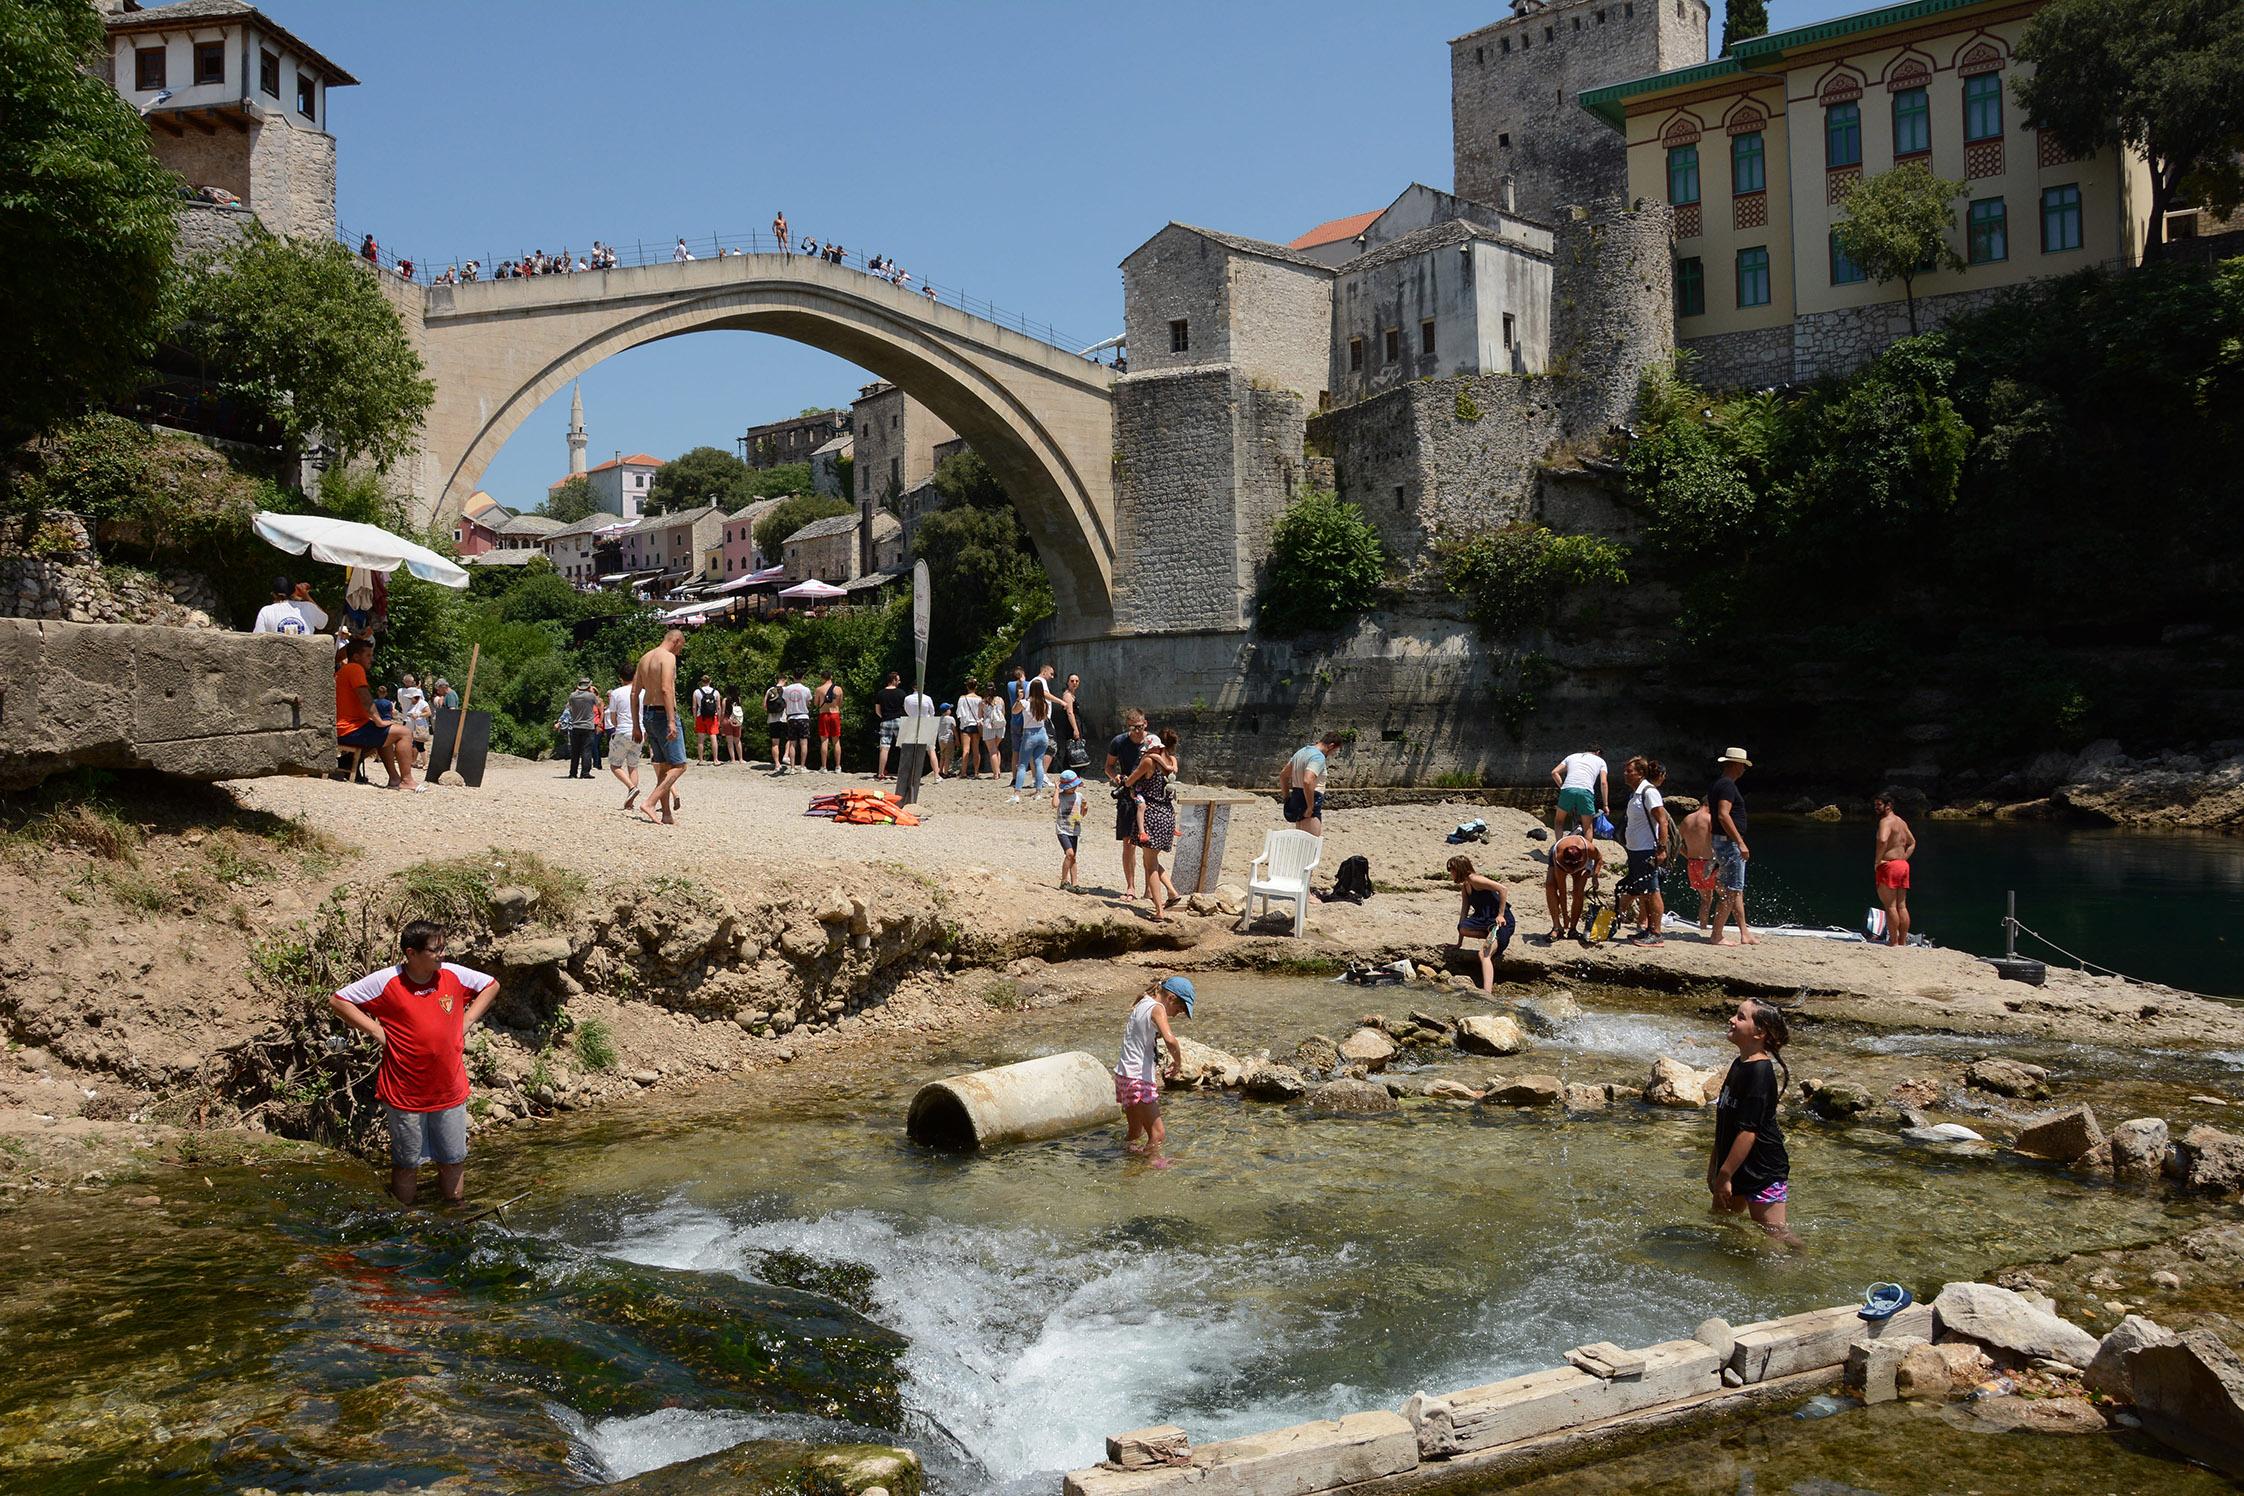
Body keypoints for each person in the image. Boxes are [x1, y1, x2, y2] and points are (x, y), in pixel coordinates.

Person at [328, 920, 499, 1207]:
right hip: (404, 1093)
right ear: (412, 953)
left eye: (443, 947)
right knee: (407, 1163)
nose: (442, 954)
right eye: (435, 949)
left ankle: (455, 1215)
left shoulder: (452, 975)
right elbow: (338, 1000)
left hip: (449, 1090)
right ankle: (405, 1223)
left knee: (454, 1159)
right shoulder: (386, 981)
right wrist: (376, 1032)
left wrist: (467, 1021)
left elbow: (491, 985)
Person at [1709, 998, 1800, 1247]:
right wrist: (1716, 1166)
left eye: (1740, 1017)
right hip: (1734, 1164)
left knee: (1774, 1233)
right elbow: (1725, 1119)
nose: (1731, 1019)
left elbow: (1749, 1132)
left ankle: (1799, 1263)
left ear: (1759, 1032)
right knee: (1721, 1224)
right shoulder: (1739, 1064)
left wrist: (1725, 1175)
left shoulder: (1760, 1072)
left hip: (1763, 1170)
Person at [1114, 976, 1196, 1161]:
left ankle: (1128, 1169)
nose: (1178, 1014)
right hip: (1138, 1078)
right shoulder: (1158, 1008)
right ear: (1171, 998)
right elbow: (1170, 1039)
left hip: (1123, 1076)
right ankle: (1154, 1169)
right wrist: (1178, 1062)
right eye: (1180, 1009)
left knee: (1135, 1134)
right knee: (1158, 1135)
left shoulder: (1143, 1001)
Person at [336, 638, 423, 791]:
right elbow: (365, 698)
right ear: (356, 656)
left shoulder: (344, 670)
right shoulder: (355, 668)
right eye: (368, 655)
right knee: (404, 732)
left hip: (348, 727)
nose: (372, 659)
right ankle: (407, 780)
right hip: (349, 728)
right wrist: (378, 721)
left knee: (388, 734)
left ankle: (395, 779)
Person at [631, 628, 689, 824]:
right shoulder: (668, 658)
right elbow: (666, 689)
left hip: (647, 714)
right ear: (676, 641)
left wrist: (635, 726)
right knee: (680, 765)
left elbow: (634, 694)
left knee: (663, 767)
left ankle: (666, 814)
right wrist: (672, 720)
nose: (680, 652)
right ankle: (650, 802)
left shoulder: (644, 658)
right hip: (663, 714)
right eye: (681, 647)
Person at [1708, 747, 1757, 948]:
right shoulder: (1727, 785)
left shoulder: (1720, 784)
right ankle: (1717, 935)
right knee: (1732, 890)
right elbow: (1723, 814)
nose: (1744, 770)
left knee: (1736, 889)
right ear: (1736, 765)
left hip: (1721, 841)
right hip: (1728, 843)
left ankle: (1744, 932)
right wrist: (1740, 841)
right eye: (1743, 766)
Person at [1127, 728, 1179, 919]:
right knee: (1152, 860)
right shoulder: (1171, 763)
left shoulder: (1148, 761)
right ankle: (1172, 893)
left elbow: (1129, 781)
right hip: (1167, 815)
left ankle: (1159, 911)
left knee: (1150, 866)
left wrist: (1128, 783)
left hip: (1152, 815)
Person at [1620, 757, 1672, 946]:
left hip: (1646, 850)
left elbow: (1663, 821)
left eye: (1629, 771)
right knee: (1644, 892)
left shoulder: (1649, 792)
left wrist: (1661, 848)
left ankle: (1656, 933)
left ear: (1640, 773)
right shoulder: (1636, 793)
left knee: (1653, 890)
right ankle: (1648, 930)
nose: (1625, 774)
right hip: (1635, 850)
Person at [1447, 855, 1514, 994]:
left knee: (1483, 954)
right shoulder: (1466, 887)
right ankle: (1490, 936)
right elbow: (1464, 912)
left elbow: (1503, 889)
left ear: (1459, 869)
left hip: (1499, 922)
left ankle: (1486, 993)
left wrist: (1500, 915)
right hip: (1483, 921)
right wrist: (1459, 942)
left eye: (1451, 870)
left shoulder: (1475, 879)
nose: (1450, 873)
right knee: (1462, 927)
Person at [1106, 710, 1151, 899]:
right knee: (1128, 844)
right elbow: (1108, 766)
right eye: (1133, 728)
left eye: (1140, 727)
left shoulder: (1153, 743)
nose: (1137, 732)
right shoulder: (1119, 742)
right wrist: (1115, 777)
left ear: (1145, 724)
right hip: (1126, 794)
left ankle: (1149, 889)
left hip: (1148, 795)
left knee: (1149, 845)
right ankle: (1130, 886)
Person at [1540, 826, 1602, 942]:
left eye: (1573, 868)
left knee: (1578, 893)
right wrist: (1565, 916)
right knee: (1550, 886)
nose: (1571, 871)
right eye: (1569, 869)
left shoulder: (1588, 848)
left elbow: (1599, 858)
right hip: (1560, 863)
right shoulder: (1558, 856)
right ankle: (1557, 927)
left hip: (1583, 864)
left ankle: (1573, 929)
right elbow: (1562, 892)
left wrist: (1595, 876)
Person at [1873, 788, 1917, 947]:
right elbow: (1912, 843)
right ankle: (1902, 941)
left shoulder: (1885, 822)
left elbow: (1883, 840)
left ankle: (1893, 942)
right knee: (1902, 905)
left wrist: (1877, 861)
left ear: (1888, 806)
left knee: (1890, 906)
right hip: (1902, 865)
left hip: (1889, 866)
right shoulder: (1901, 822)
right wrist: (1903, 858)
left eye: (1879, 805)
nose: (1876, 808)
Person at [1279, 731, 1343, 837]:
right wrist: (1310, 807)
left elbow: (1283, 775)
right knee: (1312, 844)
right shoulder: (1318, 757)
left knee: (1301, 843)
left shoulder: (1301, 752)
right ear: (1331, 746)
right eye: (1334, 751)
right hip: (1311, 799)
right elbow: (1308, 781)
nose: (1332, 755)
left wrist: (1286, 797)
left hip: (1296, 798)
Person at [1551, 743, 1610, 836]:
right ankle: (1586, 850)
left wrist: (1563, 787)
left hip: (1568, 789)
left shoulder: (1571, 757)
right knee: (1588, 827)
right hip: (1586, 791)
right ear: (1598, 752)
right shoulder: (1601, 761)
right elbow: (1603, 783)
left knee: (1559, 821)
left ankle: (1559, 848)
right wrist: (1605, 804)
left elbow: (1554, 772)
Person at [1011, 676, 1054, 800]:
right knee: (1039, 763)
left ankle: (1017, 793)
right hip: (1042, 734)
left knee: (1023, 765)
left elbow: (1014, 711)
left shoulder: (1025, 702)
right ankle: (1038, 792)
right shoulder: (1045, 704)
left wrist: (1019, 699)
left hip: (1029, 734)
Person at [605, 665, 642, 810]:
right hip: (640, 731)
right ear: (635, 676)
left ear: (620, 678)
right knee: (633, 766)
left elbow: (613, 716)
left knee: (615, 765)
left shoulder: (616, 693)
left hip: (623, 730)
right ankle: (630, 800)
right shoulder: (642, 692)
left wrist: (616, 725)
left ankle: (632, 788)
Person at [1679, 801, 1717, 935]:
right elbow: (1719, 841)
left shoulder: (1687, 819)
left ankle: (1703, 927)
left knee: (1706, 899)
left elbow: (1675, 841)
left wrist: (1688, 855)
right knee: (1727, 896)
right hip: (1709, 863)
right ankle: (1718, 930)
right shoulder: (1710, 819)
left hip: (1693, 863)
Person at [1053, 767, 1090, 890]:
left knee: (1073, 857)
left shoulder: (1079, 796)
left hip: (1074, 830)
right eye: (1071, 786)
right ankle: (1064, 881)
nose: (1074, 788)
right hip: (1062, 830)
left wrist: (1085, 809)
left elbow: (1083, 812)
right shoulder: (1061, 796)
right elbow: (1054, 804)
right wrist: (1057, 790)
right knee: (1070, 854)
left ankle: (1075, 883)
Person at [253, 575, 325, 635]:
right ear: (294, 592)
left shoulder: (266, 611)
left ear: (273, 594)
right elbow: (323, 623)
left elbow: (257, 638)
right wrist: (306, 596)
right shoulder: (309, 607)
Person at [562, 677, 600, 778]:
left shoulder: (572, 696)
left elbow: (568, 707)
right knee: (586, 750)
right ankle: (585, 773)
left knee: (575, 751)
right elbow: (599, 703)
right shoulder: (591, 696)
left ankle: (573, 773)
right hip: (588, 726)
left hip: (575, 725)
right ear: (588, 685)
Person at [901, 679, 938, 780]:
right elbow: (932, 712)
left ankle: (911, 775)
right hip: (925, 723)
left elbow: (906, 710)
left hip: (912, 723)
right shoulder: (928, 698)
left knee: (912, 750)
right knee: (931, 749)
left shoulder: (907, 699)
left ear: (913, 687)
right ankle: (936, 775)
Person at [873, 671, 906, 780]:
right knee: (903, 747)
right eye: (898, 680)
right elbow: (905, 708)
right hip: (898, 720)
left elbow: (877, 711)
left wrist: (884, 716)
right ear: (893, 680)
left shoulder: (881, 693)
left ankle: (880, 773)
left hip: (886, 720)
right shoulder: (901, 693)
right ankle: (905, 772)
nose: (899, 681)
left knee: (884, 747)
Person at [397, 674, 432, 770]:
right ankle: (413, 760)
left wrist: (418, 715)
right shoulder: (417, 693)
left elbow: (428, 712)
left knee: (416, 743)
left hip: (412, 721)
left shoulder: (400, 691)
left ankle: (416, 761)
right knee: (412, 743)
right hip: (410, 720)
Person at [781, 670, 813, 771]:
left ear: (793, 677)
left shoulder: (787, 689)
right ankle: (803, 766)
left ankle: (792, 767)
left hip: (791, 717)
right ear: (802, 677)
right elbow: (808, 703)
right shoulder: (806, 689)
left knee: (792, 743)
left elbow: (785, 702)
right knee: (804, 743)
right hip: (803, 716)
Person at [955, 680, 984, 779]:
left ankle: (963, 772)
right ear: (976, 687)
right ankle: (976, 772)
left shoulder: (962, 698)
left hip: (966, 725)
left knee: (966, 749)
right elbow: (981, 713)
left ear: (967, 687)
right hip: (976, 725)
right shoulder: (980, 699)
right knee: (976, 749)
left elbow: (959, 713)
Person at [815, 672, 844, 772]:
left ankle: (824, 766)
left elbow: (816, 703)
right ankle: (838, 766)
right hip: (835, 714)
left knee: (824, 740)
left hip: (824, 714)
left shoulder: (819, 689)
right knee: (836, 741)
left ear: (822, 677)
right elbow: (840, 703)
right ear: (831, 677)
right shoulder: (838, 689)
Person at [690, 676, 722, 765]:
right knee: (713, 737)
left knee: (700, 739)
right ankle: (715, 759)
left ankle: (701, 760)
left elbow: (694, 707)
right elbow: (718, 707)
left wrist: (695, 718)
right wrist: (719, 719)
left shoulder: (696, 692)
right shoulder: (716, 692)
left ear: (701, 681)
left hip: (701, 716)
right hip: (712, 717)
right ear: (710, 681)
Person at [764, 675, 788, 771]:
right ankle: (786, 756)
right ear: (785, 680)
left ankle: (777, 764)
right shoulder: (787, 690)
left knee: (775, 743)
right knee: (790, 739)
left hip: (772, 719)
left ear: (776, 680)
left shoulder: (770, 690)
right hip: (784, 717)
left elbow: (764, 706)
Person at [935, 702, 958, 777]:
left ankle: (940, 770)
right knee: (948, 756)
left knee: (942, 755)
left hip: (940, 739)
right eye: (949, 709)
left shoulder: (939, 719)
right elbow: (954, 730)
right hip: (948, 739)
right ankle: (946, 772)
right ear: (947, 711)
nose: (950, 710)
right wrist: (957, 739)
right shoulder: (951, 719)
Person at [722, 690, 745, 764]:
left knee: (730, 741)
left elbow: (723, 712)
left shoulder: (725, 700)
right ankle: (741, 759)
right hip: (737, 720)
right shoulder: (738, 699)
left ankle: (733, 759)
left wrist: (720, 722)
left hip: (727, 719)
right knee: (737, 740)